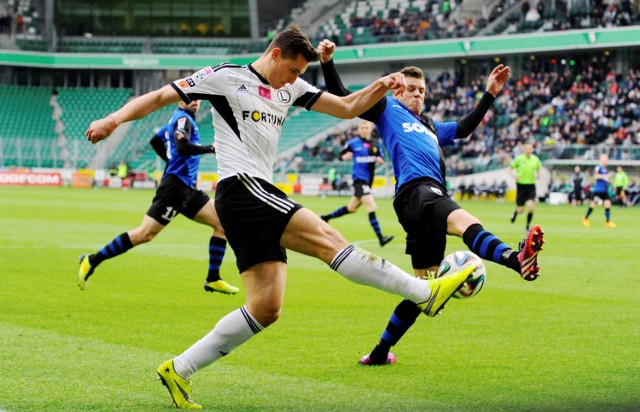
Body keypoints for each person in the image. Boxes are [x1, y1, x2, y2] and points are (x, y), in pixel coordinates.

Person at [85, 25, 476, 409]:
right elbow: (158, 97)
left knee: (266, 308)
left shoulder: (291, 86)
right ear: (275, 54)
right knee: (329, 239)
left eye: (300, 75)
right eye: (291, 70)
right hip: (242, 188)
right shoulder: (225, 77)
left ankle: (179, 369)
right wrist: (113, 119)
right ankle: (426, 292)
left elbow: (344, 108)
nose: (293, 80)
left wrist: (380, 86)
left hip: (252, 198)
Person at [319, 39, 545, 366]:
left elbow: (465, 128)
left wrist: (490, 93)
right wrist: (327, 62)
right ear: (398, 91)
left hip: (424, 199)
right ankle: (515, 259)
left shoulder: (431, 126)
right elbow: (344, 97)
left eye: (421, 90)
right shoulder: (386, 108)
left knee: (424, 290)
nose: (417, 94)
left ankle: (380, 353)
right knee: (465, 221)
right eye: (411, 89)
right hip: (417, 191)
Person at [78, 100, 240, 295]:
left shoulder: (179, 119)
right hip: (175, 189)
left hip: (187, 188)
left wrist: (170, 161)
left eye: (198, 98)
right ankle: (92, 260)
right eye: (191, 98)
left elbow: (156, 141)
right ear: (181, 100)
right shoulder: (183, 119)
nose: (195, 102)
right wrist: (210, 148)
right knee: (144, 234)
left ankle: (213, 278)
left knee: (222, 224)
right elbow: (181, 147)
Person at [321, 120, 394, 247]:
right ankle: (381, 238)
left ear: (371, 129)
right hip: (359, 180)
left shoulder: (375, 143)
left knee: (351, 208)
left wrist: (379, 159)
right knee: (372, 207)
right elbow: (340, 154)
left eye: (367, 127)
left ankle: (326, 217)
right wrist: (344, 157)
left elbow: (381, 157)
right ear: (359, 130)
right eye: (362, 127)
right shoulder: (353, 143)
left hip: (368, 181)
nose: (364, 129)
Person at [509, 142, 541, 231]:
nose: (528, 150)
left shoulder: (535, 159)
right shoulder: (519, 159)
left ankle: (527, 226)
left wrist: (539, 175)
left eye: (530, 149)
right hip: (521, 186)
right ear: (524, 150)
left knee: (531, 207)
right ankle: (515, 212)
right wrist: (514, 176)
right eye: (527, 149)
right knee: (521, 210)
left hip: (531, 185)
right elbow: (509, 169)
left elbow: (539, 170)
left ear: (532, 150)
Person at [583, 153, 617, 227]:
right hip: (598, 190)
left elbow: (604, 178)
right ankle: (585, 218)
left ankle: (607, 222)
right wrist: (606, 176)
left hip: (604, 190)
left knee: (608, 204)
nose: (606, 161)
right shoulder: (598, 167)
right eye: (605, 159)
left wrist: (608, 181)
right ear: (601, 159)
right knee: (593, 205)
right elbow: (595, 176)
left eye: (606, 159)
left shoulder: (605, 169)